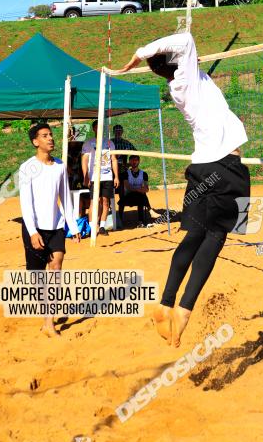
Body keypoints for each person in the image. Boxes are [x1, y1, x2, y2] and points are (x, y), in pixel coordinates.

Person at [105, 31, 250, 347]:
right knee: (216, 236)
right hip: (226, 169)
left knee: (194, 235)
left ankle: (166, 301)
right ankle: (184, 309)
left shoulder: (181, 86)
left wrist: (137, 62)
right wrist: (138, 54)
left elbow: (183, 51)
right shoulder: (188, 77)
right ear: (178, 62)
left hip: (200, 170)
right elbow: (184, 38)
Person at [19, 122, 80, 338]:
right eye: (45, 136)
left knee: (55, 269)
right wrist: (33, 231)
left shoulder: (60, 166)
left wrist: (73, 225)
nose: (50, 138)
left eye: (51, 135)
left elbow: (65, 197)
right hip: (34, 229)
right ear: (36, 142)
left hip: (56, 227)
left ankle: (49, 323)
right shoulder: (27, 167)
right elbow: (25, 203)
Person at [81, 120, 119, 235]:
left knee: (105, 201)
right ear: (94, 129)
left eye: (101, 128)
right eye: (97, 127)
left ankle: (102, 226)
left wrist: (116, 176)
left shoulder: (109, 143)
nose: (99, 130)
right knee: (94, 201)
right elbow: (84, 160)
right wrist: (86, 176)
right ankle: (93, 227)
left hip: (107, 176)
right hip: (94, 177)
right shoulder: (88, 143)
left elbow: (114, 159)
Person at [120, 155, 152, 227]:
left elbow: (146, 189)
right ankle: (150, 210)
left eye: (136, 160)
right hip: (128, 197)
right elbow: (128, 187)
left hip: (139, 197)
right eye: (132, 160)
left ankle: (141, 221)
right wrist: (139, 189)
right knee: (141, 195)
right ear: (129, 162)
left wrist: (141, 189)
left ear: (139, 161)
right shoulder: (125, 173)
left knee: (141, 196)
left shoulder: (144, 174)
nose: (134, 162)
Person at [112, 124, 136, 217]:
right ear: (114, 132)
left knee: (122, 194)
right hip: (110, 172)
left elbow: (136, 154)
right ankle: (111, 215)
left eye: (120, 130)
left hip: (122, 172)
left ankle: (120, 216)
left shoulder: (126, 143)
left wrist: (129, 164)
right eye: (116, 130)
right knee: (109, 195)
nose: (118, 132)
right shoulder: (110, 142)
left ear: (122, 132)